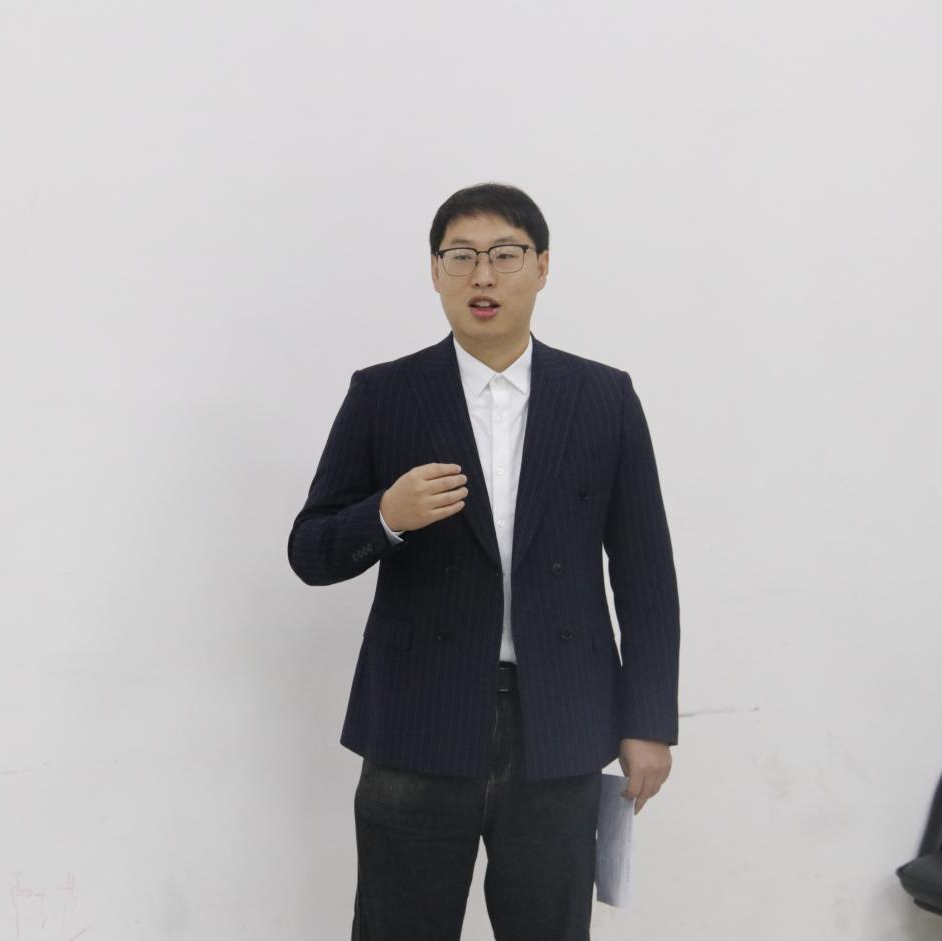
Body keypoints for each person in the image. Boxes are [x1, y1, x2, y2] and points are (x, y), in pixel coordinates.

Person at [287, 182, 681, 940]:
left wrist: (648, 721)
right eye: (460, 257)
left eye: (505, 255)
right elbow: (310, 550)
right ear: (434, 272)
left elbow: (646, 575)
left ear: (542, 267)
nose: (483, 276)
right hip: (418, 720)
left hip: (561, 722)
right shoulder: (384, 394)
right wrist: (384, 516)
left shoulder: (604, 397)